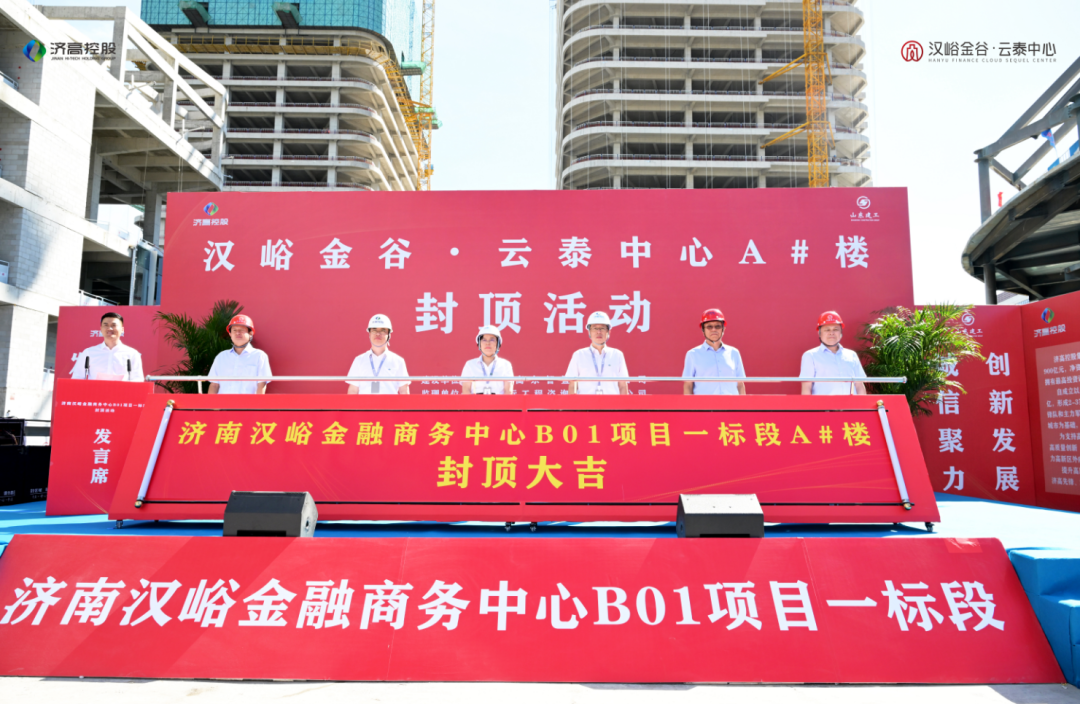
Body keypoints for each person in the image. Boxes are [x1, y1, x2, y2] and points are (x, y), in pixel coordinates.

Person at [800, 311, 867, 395]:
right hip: (823, 403)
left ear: (841, 333)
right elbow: (806, 387)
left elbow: (859, 385)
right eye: (827, 330)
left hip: (850, 403)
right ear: (819, 333)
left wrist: (863, 403)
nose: (831, 333)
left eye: (835, 329)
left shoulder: (851, 355)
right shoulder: (810, 356)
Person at [682, 309, 746, 395]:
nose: (713, 329)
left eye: (718, 326)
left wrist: (743, 403)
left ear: (723, 328)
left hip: (732, 403)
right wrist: (688, 404)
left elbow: (740, 384)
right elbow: (688, 385)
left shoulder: (734, 353)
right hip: (705, 403)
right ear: (703, 330)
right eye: (709, 326)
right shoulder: (693, 354)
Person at [566, 311, 629, 395]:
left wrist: (623, 404)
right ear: (589, 332)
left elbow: (623, 386)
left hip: (612, 402)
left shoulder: (617, 355)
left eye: (602, 328)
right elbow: (572, 385)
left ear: (608, 332)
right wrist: (574, 404)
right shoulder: (579, 355)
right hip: (586, 402)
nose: (599, 332)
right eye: (595, 328)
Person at [70, 311, 144, 382]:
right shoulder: (88, 352)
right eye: (106, 325)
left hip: (122, 391)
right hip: (94, 391)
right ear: (101, 329)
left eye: (114, 325)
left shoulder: (132, 354)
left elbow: (138, 379)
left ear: (122, 329)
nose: (109, 328)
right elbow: (77, 377)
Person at [207, 314, 272, 394]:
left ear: (250, 333)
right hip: (223, 402)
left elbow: (261, 384)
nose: (237, 333)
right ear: (230, 334)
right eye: (234, 330)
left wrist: (258, 402)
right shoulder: (221, 357)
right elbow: (214, 385)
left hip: (248, 402)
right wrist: (212, 402)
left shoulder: (259, 356)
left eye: (242, 330)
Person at [346, 314, 410, 395]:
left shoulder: (398, 361)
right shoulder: (359, 360)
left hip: (390, 403)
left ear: (389, 335)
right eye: (374, 330)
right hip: (365, 403)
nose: (378, 334)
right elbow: (353, 390)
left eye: (383, 330)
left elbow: (404, 391)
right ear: (369, 333)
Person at [461, 325, 514, 395]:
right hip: (475, 401)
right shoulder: (470, 365)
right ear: (479, 344)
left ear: (498, 344)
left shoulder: (506, 365)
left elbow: (508, 392)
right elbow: (466, 390)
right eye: (484, 340)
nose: (488, 343)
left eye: (492, 340)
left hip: (499, 401)